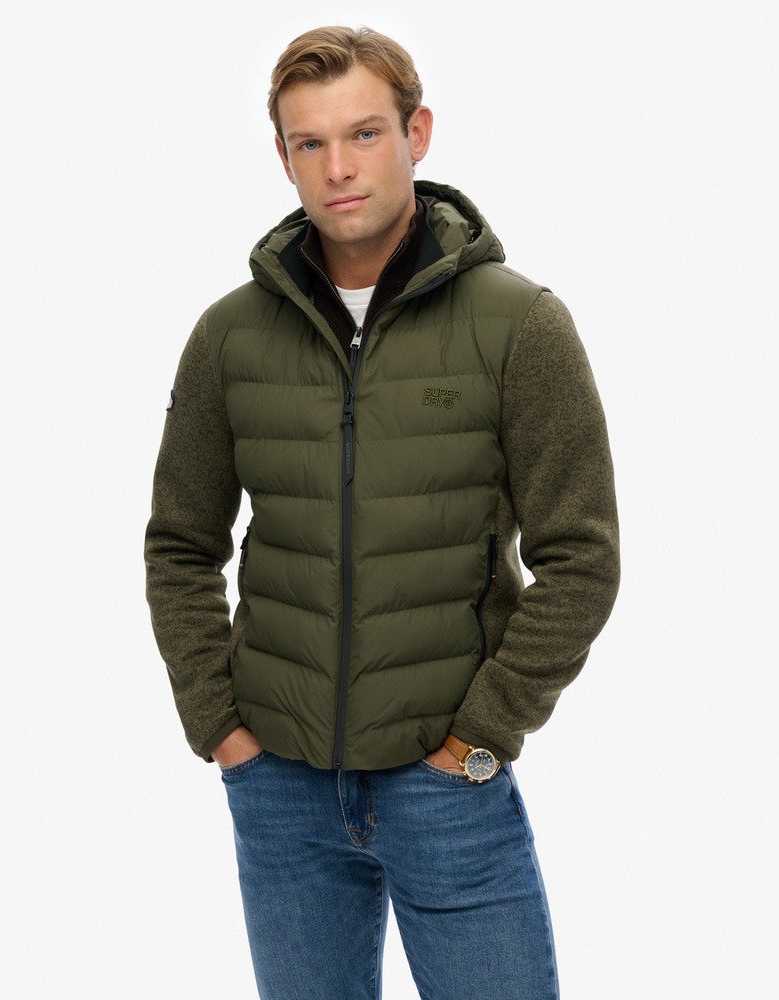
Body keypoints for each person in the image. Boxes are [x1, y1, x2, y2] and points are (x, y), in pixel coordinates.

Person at [144, 24, 620, 1000]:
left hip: (446, 786)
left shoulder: (519, 326)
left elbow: (581, 558)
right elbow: (181, 545)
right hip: (279, 787)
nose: (338, 167)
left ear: (417, 133)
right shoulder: (229, 336)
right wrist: (220, 727)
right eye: (309, 142)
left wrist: (478, 738)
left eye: (364, 133)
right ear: (283, 156)